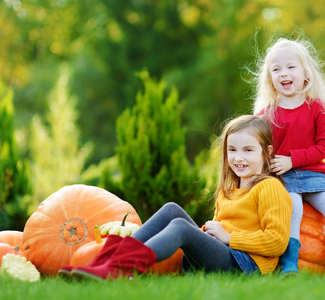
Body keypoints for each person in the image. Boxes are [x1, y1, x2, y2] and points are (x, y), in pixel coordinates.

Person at [58, 115, 292, 280]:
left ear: (267, 152)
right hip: (224, 254)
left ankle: (122, 269)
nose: (238, 158)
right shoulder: (229, 190)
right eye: (232, 150)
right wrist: (207, 234)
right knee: (171, 210)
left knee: (180, 227)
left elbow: (277, 241)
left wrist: (230, 238)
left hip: (246, 265)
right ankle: (105, 263)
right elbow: (217, 230)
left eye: (248, 150)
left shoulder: (269, 187)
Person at [251, 37, 325, 278]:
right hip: (283, 177)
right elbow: (260, 150)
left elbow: (324, 147)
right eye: (276, 69)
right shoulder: (266, 114)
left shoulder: (317, 107)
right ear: (270, 78)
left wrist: (292, 159)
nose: (283, 73)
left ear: (306, 73)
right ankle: (289, 265)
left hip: (314, 175)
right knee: (293, 208)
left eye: (290, 67)